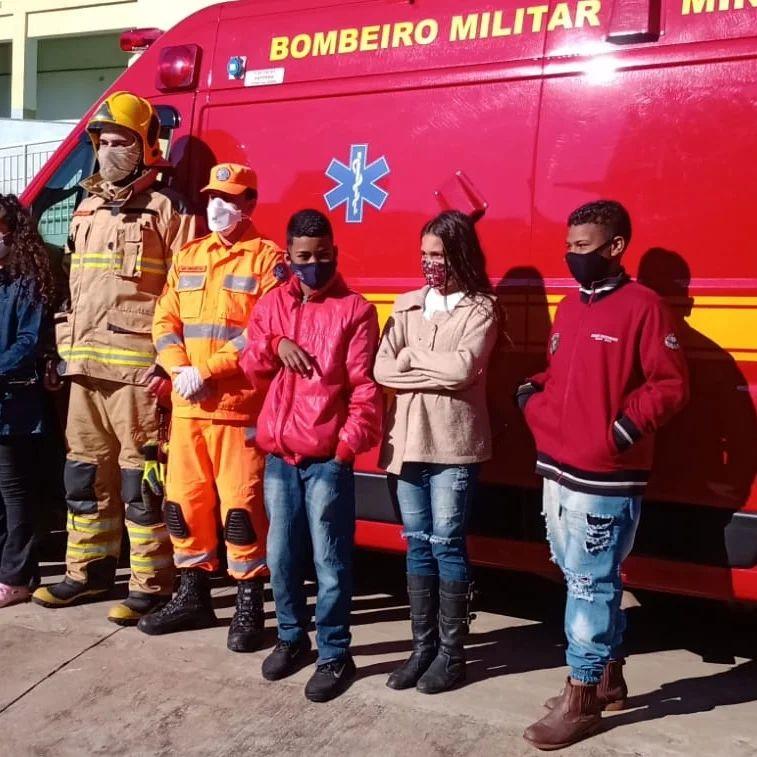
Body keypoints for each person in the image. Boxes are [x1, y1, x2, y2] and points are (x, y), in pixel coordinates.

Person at [517, 200, 689, 750]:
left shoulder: (645, 307)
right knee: (576, 575)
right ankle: (609, 676)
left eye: (583, 246)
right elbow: (558, 375)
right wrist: (530, 397)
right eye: (568, 246)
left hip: (605, 479)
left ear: (615, 247)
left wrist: (617, 433)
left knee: (590, 583)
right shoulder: (570, 308)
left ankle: (582, 694)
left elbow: (670, 385)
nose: (572, 256)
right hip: (558, 469)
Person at [32, 92, 197, 625]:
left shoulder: (167, 209)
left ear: (146, 146)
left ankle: (151, 583)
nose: (109, 151)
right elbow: (72, 289)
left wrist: (170, 362)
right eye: (102, 143)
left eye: (121, 141)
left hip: (137, 376)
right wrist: (63, 344)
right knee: (83, 478)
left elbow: (187, 295)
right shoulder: (85, 209)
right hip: (84, 373)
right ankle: (89, 572)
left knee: (140, 483)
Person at [138, 163, 284, 652]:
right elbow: (165, 318)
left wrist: (211, 369)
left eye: (230, 197)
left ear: (250, 203)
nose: (218, 205)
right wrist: (179, 368)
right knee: (183, 506)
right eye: (213, 196)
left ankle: (249, 603)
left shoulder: (267, 260)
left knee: (241, 509)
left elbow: (262, 332)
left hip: (237, 408)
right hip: (187, 408)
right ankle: (193, 596)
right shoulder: (189, 255)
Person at [240, 209, 382, 702]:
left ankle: (336, 653)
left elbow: (365, 389)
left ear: (335, 253)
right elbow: (250, 359)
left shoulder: (355, 310)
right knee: (280, 556)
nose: (313, 264)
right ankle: (291, 638)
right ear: (288, 257)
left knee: (330, 561)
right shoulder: (272, 304)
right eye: (303, 257)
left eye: (322, 255)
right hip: (280, 455)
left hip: (326, 459)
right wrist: (276, 343)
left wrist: (345, 449)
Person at [373, 210, 500, 694]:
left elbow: (464, 369)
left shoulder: (481, 308)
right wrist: (426, 368)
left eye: (439, 255)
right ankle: (422, 648)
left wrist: (412, 358)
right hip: (404, 446)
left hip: (454, 448)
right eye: (425, 254)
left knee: (448, 545)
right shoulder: (405, 306)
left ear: (461, 254)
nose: (430, 264)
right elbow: (382, 371)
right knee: (418, 545)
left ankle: (452, 655)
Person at [0, 195, 55, 607]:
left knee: (14, 491)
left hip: (14, 406)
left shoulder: (28, 282)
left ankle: (17, 576)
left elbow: (28, 342)